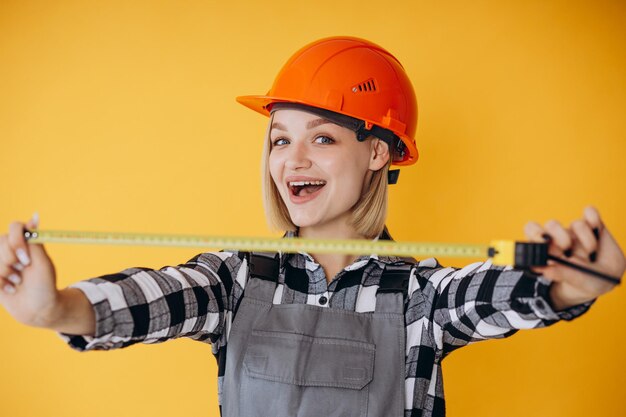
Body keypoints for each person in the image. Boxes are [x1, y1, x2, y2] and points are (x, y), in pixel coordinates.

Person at [0, 36, 624, 417]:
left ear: (378, 152)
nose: (291, 160)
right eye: (279, 140)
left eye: (321, 138)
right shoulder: (233, 278)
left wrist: (567, 285)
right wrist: (55, 308)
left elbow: (487, 294)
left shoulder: (419, 298)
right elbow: (151, 299)